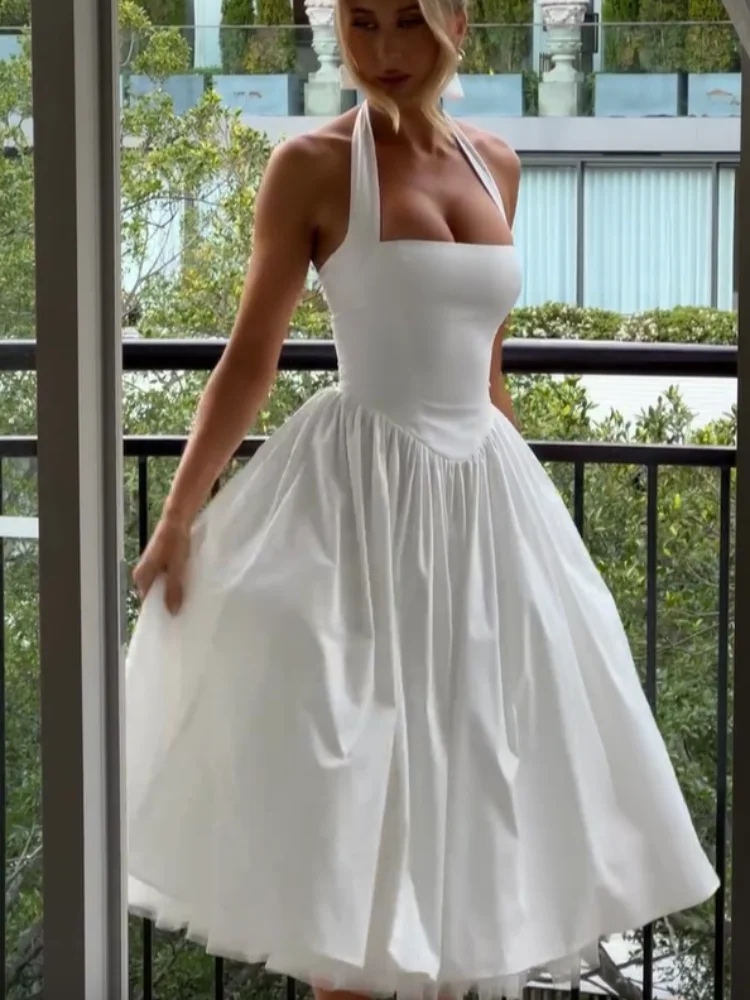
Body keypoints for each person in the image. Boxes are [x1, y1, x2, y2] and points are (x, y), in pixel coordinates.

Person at [126, 0, 719, 994]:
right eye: (360, 23)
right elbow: (249, 358)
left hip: (483, 507)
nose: (385, 50)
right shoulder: (312, 165)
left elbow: (488, 370)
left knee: (479, 820)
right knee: (355, 825)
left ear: (457, 24)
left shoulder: (499, 165)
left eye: (409, 21)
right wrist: (180, 516)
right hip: (358, 513)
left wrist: (537, 531)